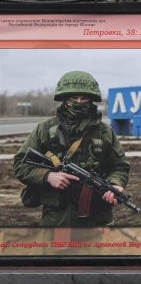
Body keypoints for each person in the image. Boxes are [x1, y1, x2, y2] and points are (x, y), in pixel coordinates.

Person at [13, 70, 130, 227]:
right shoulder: (45, 130)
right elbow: (21, 164)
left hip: (98, 219)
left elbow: (119, 166)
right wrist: (48, 176)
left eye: (84, 98)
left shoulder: (105, 132)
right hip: (57, 219)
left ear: (92, 100)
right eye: (74, 98)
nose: (79, 102)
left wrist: (115, 184)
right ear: (64, 99)